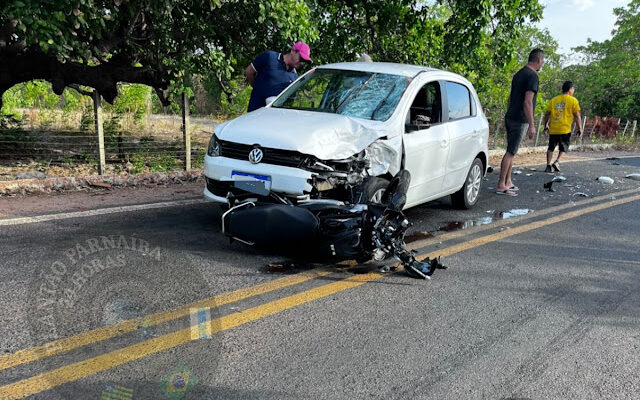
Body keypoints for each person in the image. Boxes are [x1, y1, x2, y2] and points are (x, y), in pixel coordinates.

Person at [496, 48, 545, 196]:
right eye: (542, 61)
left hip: (511, 116)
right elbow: (528, 102)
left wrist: (510, 112)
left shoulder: (519, 74)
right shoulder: (532, 76)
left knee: (512, 149)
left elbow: (510, 98)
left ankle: (508, 181)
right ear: (539, 60)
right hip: (520, 119)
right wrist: (532, 125)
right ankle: (501, 185)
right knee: (511, 152)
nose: (542, 64)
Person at [244, 42, 312, 112]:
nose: (302, 63)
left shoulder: (294, 77)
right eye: (301, 59)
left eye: (305, 61)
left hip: (275, 116)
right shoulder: (270, 57)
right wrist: (257, 87)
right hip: (255, 113)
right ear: (293, 51)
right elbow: (249, 72)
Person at [542, 81, 582, 172]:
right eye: (573, 89)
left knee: (551, 148)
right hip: (565, 129)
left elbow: (547, 114)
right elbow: (577, 115)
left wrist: (546, 124)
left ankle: (548, 165)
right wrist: (579, 127)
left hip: (554, 129)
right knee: (564, 147)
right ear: (570, 89)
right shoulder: (573, 100)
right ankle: (557, 161)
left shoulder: (554, 100)